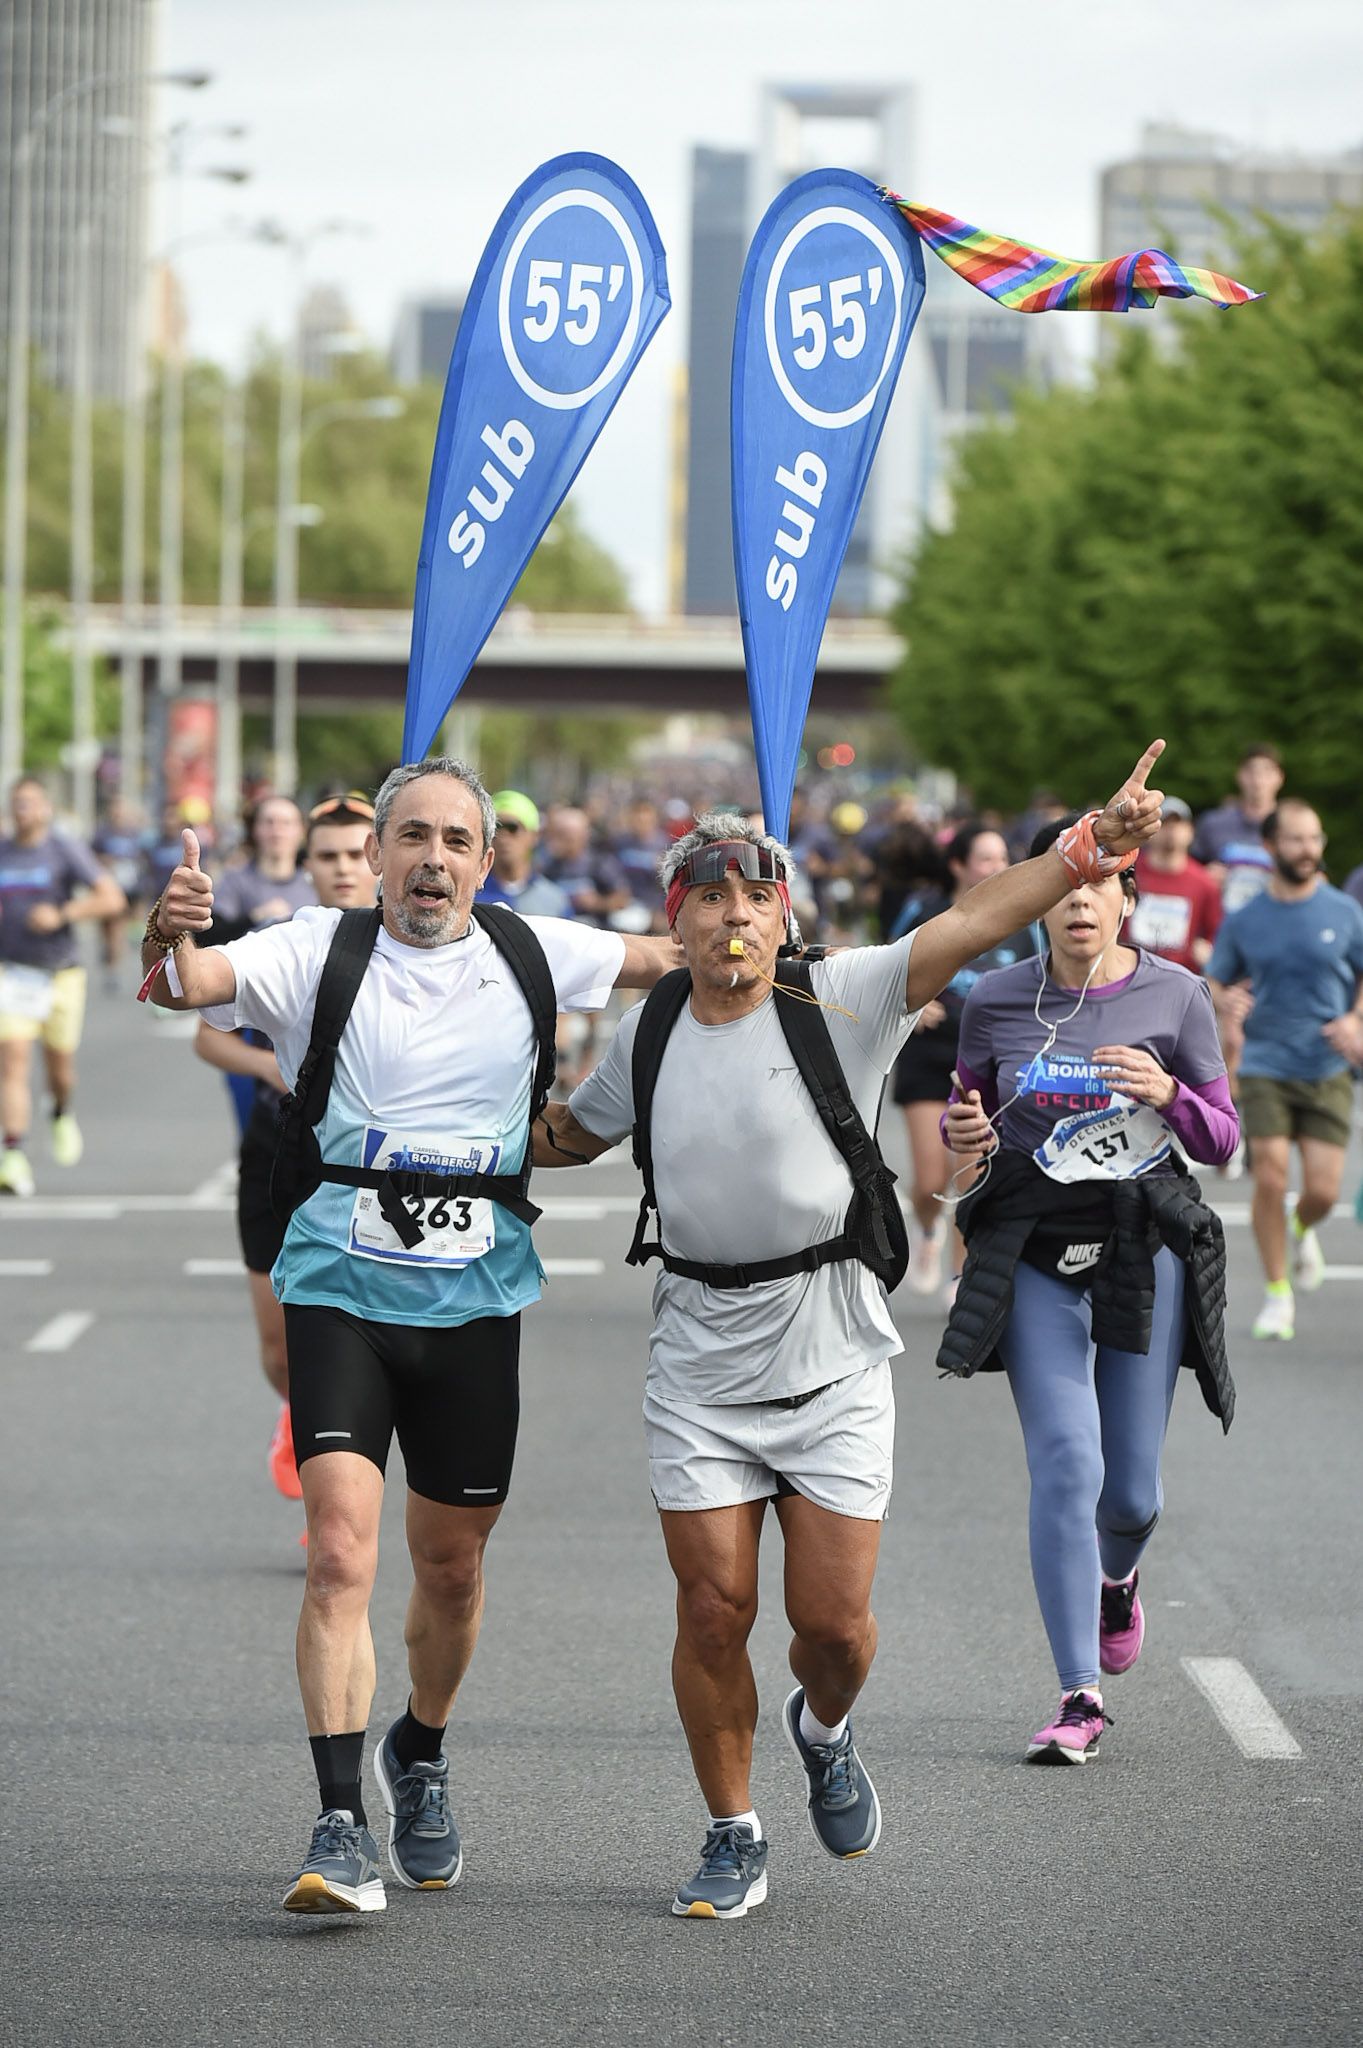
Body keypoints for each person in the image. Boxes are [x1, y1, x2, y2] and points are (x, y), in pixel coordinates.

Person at [532, 745, 1166, 1917]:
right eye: (709, 897)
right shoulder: (652, 1030)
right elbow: (570, 1133)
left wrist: (1086, 847)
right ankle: (732, 1829)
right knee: (712, 1607)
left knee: (833, 1628)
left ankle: (822, 1728)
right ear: (676, 921)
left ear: (785, 914)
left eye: (755, 894)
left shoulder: (846, 991)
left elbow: (975, 918)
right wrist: (451, 1121)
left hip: (831, 1352)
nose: (733, 915)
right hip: (698, 1357)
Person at [141, 756, 672, 1918]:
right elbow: (190, 984)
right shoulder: (309, 947)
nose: (432, 858)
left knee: (452, 1564)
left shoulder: (535, 951)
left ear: (487, 862)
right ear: (375, 853)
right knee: (340, 1551)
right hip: (337, 1278)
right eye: (412, 837)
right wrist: (170, 927)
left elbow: (673, 959)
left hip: (475, 1297)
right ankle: (339, 1821)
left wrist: (775, 949)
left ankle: (419, 1747)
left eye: (456, 841)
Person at [938, 810, 1239, 1766]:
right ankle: (1078, 1692)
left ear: (1125, 900)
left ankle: (1119, 1580)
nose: (1078, 905)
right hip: (1033, 1248)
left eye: (1097, 888)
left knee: (1132, 1497)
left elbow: (1222, 1139)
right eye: (1061, 889)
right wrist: (964, 1144)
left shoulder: (1176, 996)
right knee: (1067, 1464)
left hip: (1138, 1245)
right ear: (1037, 903)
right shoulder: (992, 999)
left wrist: (1167, 1096)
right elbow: (967, 1118)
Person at [193, 796, 379, 1508]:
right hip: (278, 1147)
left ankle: (334, 1490)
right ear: (307, 864)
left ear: (379, 860)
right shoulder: (285, 944)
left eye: (352, 854)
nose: (340, 869)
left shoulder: (414, 946)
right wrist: (272, 1069)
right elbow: (204, 1030)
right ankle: (297, 1412)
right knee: (279, 1351)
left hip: (364, 1163)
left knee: (345, 1340)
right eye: (325, 856)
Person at [1207, 799, 1363, 1341]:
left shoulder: (1344, 911)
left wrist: (1355, 1018)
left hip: (1326, 1064)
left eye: (1315, 839)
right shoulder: (1247, 919)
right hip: (1266, 1060)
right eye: (1296, 840)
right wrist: (1227, 1003)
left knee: (1322, 1191)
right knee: (1270, 1175)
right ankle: (1278, 1295)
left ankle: (1303, 1228)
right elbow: (1218, 979)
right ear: (1270, 847)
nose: (1309, 850)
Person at [888, 822, 1036, 1303]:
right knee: (930, 1181)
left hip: (984, 1062)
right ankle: (928, 1230)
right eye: (985, 859)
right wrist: (911, 1003)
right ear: (958, 866)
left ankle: (961, 1271)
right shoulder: (924, 913)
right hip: (928, 1057)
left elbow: (1039, 984)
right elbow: (886, 971)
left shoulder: (1022, 920)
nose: (997, 868)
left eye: (1002, 858)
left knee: (968, 1169)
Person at [0, 776, 126, 1195]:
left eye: (32, 803)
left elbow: (112, 899)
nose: (24, 810)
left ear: (46, 808)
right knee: (13, 1062)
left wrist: (62, 914)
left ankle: (61, 1110)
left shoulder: (63, 848)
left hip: (60, 974)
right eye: (17, 803)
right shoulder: (4, 851)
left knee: (60, 1068)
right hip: (13, 973)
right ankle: (13, 1152)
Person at [1129, 798, 1222, 974]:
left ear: (1191, 832)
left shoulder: (1204, 883)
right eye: (1164, 824)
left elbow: (1216, 932)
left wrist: (1209, 949)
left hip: (1181, 977)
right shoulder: (1128, 874)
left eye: (1178, 824)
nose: (1171, 831)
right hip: (1130, 973)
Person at [1192, 744, 1284, 913]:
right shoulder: (1213, 824)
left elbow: (1316, 878)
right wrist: (1204, 875)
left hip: (1277, 923)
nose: (1258, 780)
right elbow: (1185, 871)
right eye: (1251, 772)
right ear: (1240, 776)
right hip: (1221, 924)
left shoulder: (1292, 828)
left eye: (1266, 772)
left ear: (1279, 778)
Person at [475, 790, 571, 918]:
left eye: (512, 828)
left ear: (534, 836)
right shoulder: (470, 895)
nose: (503, 837)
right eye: (496, 828)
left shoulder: (554, 900)